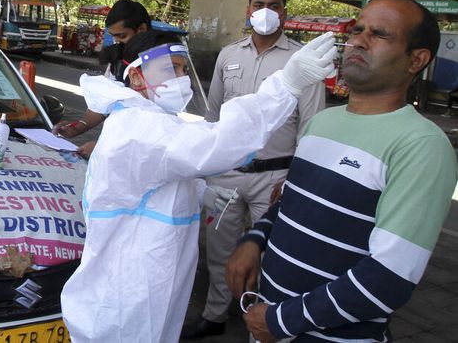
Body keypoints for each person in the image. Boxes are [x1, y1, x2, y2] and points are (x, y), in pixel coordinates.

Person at [61, 28, 337, 343]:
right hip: (130, 288)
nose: (182, 78)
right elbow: (220, 141)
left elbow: (154, 181)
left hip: (139, 276)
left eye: (182, 68)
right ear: (136, 78)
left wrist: (200, 192)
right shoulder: (141, 128)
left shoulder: (140, 118)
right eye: (170, 69)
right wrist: (285, 86)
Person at [226, 0, 458, 343]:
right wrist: (255, 239)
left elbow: (389, 277)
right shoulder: (323, 122)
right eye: (358, 29)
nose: (358, 41)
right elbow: (293, 202)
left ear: (417, 60)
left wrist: (282, 320)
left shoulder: (420, 145)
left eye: (380, 35)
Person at [182, 0, 326, 339]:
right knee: (218, 248)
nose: (265, 12)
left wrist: (293, 180)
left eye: (274, 5)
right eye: (258, 4)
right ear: (248, 10)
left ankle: (259, 325)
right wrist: (208, 168)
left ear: (284, 12)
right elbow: (213, 115)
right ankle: (214, 315)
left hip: (275, 177)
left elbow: (311, 127)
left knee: (268, 256)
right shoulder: (228, 55)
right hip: (228, 174)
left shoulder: (301, 61)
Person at [52, 0, 152, 158]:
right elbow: (104, 103)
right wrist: (77, 128)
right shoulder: (118, 63)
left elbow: (154, 128)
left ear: (141, 29)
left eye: (122, 36)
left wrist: (104, 148)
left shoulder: (161, 65)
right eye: (114, 37)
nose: (117, 42)